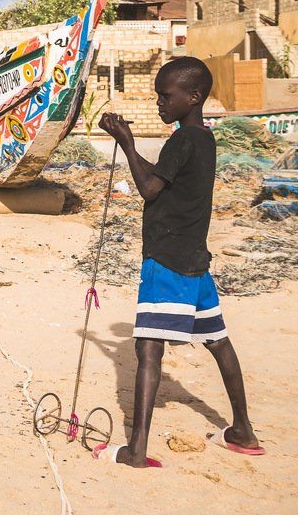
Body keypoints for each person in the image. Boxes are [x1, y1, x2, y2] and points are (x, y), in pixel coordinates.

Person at [96, 57, 263, 469]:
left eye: (166, 96)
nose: (159, 103)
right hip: (195, 261)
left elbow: (150, 189)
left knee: (148, 349)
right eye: (157, 95)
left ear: (194, 97)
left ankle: (136, 451)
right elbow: (166, 181)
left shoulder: (181, 141)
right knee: (219, 342)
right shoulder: (201, 139)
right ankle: (242, 430)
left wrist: (126, 143)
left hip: (167, 259)